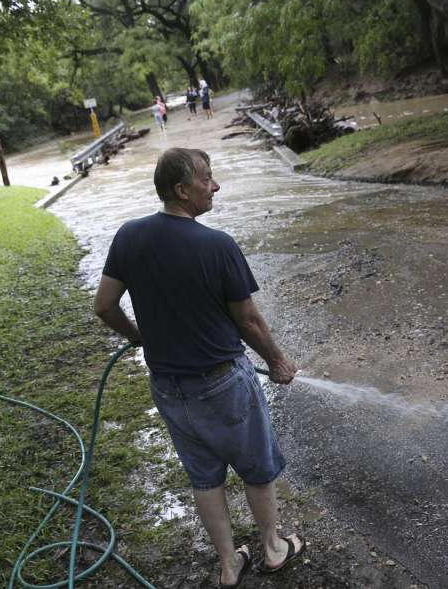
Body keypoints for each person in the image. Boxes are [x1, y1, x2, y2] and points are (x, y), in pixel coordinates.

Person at [94, 148, 304, 588]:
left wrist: (138, 337)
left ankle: (229, 565)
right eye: (208, 178)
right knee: (257, 467)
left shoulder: (128, 236)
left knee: (204, 478)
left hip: (169, 389)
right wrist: (278, 362)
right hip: (223, 383)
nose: (216, 185)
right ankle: (272, 549)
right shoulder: (217, 245)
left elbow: (105, 306)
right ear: (181, 189)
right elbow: (247, 320)